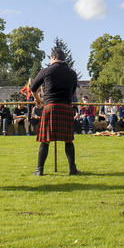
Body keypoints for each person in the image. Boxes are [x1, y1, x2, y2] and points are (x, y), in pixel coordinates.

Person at [29, 47, 80, 175]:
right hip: (66, 107)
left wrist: (38, 100)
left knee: (45, 140)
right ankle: (72, 169)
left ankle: (39, 170)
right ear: (64, 58)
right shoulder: (72, 73)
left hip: (50, 107)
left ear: (53, 57)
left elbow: (33, 87)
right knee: (68, 140)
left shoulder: (46, 70)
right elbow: (73, 92)